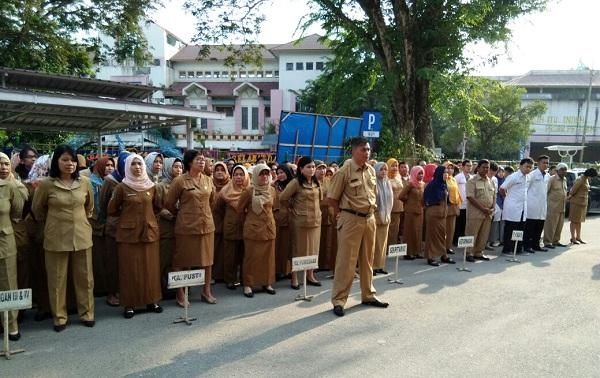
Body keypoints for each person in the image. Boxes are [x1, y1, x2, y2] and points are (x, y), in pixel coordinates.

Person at [32, 145, 95, 332]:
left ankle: (87, 313)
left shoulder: (84, 182)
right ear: (56, 162)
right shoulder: (46, 184)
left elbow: (89, 207)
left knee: (85, 278)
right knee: (57, 279)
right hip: (56, 238)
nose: (70, 164)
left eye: (73, 160)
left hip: (81, 236)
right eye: (65, 160)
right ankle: (59, 317)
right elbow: (38, 210)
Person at [327, 137, 388, 317]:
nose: (367, 153)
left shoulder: (370, 170)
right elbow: (332, 198)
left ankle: (368, 294)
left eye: (368, 149)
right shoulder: (344, 170)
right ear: (353, 151)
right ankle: (339, 300)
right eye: (363, 149)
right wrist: (341, 214)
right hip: (351, 218)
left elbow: (373, 193)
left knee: (368, 259)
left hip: (369, 219)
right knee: (346, 262)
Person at [107, 154, 162, 319]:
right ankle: (129, 304)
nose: (137, 167)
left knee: (150, 269)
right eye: (133, 164)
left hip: (149, 233)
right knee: (130, 270)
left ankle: (152, 300)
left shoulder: (152, 187)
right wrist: (126, 221)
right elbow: (111, 209)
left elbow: (158, 207)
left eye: (140, 164)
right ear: (127, 167)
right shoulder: (121, 188)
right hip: (128, 236)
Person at [165, 150, 217, 305]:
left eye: (203, 160)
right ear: (189, 162)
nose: (202, 162)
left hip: (206, 225)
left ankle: (206, 291)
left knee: (207, 260)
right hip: (186, 226)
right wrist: (182, 214)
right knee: (182, 259)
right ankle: (180, 293)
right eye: (198, 159)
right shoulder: (180, 181)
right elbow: (169, 203)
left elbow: (212, 201)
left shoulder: (208, 180)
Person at [279, 157, 322, 288]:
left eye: (313, 167)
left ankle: (310, 275)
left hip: (315, 222)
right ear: (301, 169)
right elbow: (283, 198)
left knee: (313, 249)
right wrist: (292, 208)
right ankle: (295, 277)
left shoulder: (316, 182)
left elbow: (320, 199)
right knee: (298, 249)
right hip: (300, 222)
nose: (312, 169)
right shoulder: (296, 182)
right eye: (308, 167)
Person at [237, 164, 277, 297]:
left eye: (267, 173)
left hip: (269, 228)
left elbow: (274, 207)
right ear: (255, 175)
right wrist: (249, 222)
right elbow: (240, 210)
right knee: (251, 258)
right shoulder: (249, 191)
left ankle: (267, 282)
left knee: (268, 258)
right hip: (253, 230)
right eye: (261, 173)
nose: (265, 176)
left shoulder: (272, 190)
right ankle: (248, 284)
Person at [0, 152, 25, 341]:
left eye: (6, 163)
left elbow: (17, 211)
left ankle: (11, 325)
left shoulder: (11, 186)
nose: (3, 167)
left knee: (8, 282)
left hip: (4, 239)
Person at [99, 151, 129, 307]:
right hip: (114, 227)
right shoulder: (110, 181)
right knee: (112, 261)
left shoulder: (132, 180)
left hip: (129, 228)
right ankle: (112, 293)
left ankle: (124, 290)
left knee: (125, 262)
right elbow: (103, 205)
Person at [215, 165, 249, 290]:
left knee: (244, 254)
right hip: (230, 226)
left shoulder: (250, 190)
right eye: (236, 174)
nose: (238, 177)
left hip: (246, 226)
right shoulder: (225, 190)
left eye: (241, 174)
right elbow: (218, 208)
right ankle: (229, 279)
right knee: (230, 255)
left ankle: (243, 279)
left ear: (246, 175)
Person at [155, 157, 183, 299]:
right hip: (166, 228)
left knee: (177, 260)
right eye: (175, 167)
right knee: (164, 261)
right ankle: (161, 290)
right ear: (168, 168)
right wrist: (170, 215)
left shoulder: (183, 184)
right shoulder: (161, 186)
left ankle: (178, 289)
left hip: (181, 228)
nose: (178, 170)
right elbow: (156, 208)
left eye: (180, 167)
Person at [88, 157, 115, 298]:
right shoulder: (91, 182)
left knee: (107, 257)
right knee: (97, 258)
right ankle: (98, 288)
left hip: (108, 225)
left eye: (112, 165)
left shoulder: (112, 182)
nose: (110, 168)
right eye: (107, 165)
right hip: (95, 225)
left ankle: (107, 287)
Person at [499, 158, 533, 254]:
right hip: (512, 207)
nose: (528, 169)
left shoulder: (528, 177)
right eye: (527, 166)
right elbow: (502, 188)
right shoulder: (514, 176)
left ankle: (517, 249)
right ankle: (506, 250)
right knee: (510, 229)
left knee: (520, 229)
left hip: (523, 208)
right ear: (520, 166)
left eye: (530, 167)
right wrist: (508, 198)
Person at [464, 160, 496, 262]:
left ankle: (479, 252)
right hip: (475, 213)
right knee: (471, 233)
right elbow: (470, 197)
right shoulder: (472, 180)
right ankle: (468, 253)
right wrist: (483, 209)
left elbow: (493, 196)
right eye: (484, 167)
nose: (486, 169)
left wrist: (492, 208)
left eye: (488, 167)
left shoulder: (490, 181)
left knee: (484, 234)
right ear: (478, 168)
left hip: (488, 213)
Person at [423, 165, 454, 266]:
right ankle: (430, 257)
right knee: (432, 236)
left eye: (447, 172)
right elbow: (427, 199)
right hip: (434, 213)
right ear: (439, 174)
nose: (446, 174)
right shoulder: (433, 185)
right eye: (444, 172)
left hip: (442, 214)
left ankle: (443, 255)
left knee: (442, 235)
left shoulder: (444, 185)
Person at [524, 155, 550, 252]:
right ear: (538, 163)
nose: (546, 164)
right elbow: (526, 189)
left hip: (542, 206)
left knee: (539, 227)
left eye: (547, 163)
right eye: (544, 162)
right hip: (532, 205)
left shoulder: (547, 176)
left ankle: (536, 245)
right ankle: (527, 246)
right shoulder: (532, 174)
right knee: (529, 228)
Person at [273, 164, 294, 281]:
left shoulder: (294, 185)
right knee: (278, 246)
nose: (280, 175)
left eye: (282, 172)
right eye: (278, 173)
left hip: (291, 219)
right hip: (278, 219)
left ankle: (288, 270)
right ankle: (277, 270)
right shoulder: (274, 186)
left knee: (289, 246)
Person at [211, 161, 230, 283]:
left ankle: (223, 274)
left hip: (227, 222)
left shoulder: (231, 186)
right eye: (217, 170)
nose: (219, 172)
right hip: (212, 221)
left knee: (226, 250)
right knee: (213, 250)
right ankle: (212, 275)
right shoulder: (209, 184)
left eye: (222, 170)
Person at [400, 166, 425, 260]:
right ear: (414, 173)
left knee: (418, 231)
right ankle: (408, 253)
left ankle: (417, 251)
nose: (421, 175)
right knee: (410, 231)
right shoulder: (410, 184)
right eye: (419, 173)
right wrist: (408, 202)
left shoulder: (423, 184)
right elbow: (401, 196)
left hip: (420, 210)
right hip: (410, 211)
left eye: (422, 173)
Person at [567, 167, 598, 244]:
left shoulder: (586, 179)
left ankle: (578, 237)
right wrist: (568, 199)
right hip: (576, 203)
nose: (592, 178)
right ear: (589, 174)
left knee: (579, 221)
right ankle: (573, 238)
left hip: (582, 203)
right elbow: (572, 191)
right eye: (592, 176)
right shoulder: (580, 180)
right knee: (574, 220)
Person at [373, 162, 394, 273]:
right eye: (381, 169)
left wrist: (388, 213)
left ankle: (380, 265)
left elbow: (391, 200)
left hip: (386, 215)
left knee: (383, 242)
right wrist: (377, 213)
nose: (384, 171)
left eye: (385, 169)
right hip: (375, 216)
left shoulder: (388, 182)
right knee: (374, 243)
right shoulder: (373, 182)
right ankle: (372, 266)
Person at [543, 163, 568, 249]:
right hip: (552, 207)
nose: (563, 171)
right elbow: (545, 192)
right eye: (562, 169)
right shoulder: (552, 179)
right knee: (550, 226)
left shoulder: (564, 179)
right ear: (557, 170)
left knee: (559, 226)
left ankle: (556, 241)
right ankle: (547, 242)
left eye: (565, 170)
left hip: (562, 207)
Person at [453, 160, 473, 245]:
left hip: (469, 205)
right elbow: (454, 190)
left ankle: (463, 241)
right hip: (460, 204)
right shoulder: (458, 177)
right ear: (463, 167)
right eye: (467, 165)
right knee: (458, 224)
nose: (469, 167)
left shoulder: (472, 178)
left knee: (466, 223)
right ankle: (456, 240)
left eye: (470, 166)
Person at [386, 158, 403, 249]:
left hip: (399, 207)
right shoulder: (386, 178)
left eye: (396, 166)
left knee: (396, 229)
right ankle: (388, 247)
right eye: (392, 166)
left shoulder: (398, 177)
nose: (395, 168)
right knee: (390, 229)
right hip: (390, 207)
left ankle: (392, 247)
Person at [445, 162, 461, 255]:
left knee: (451, 229)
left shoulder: (453, 180)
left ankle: (448, 246)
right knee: (444, 229)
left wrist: (458, 205)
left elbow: (457, 193)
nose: (450, 170)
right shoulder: (443, 179)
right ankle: (442, 246)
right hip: (446, 206)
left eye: (452, 168)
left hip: (454, 206)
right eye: (448, 168)